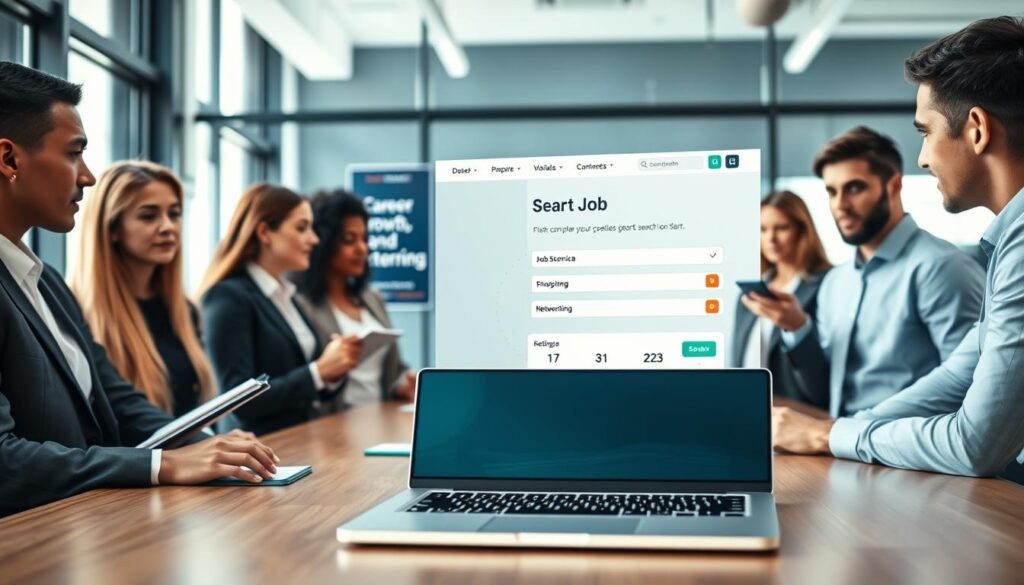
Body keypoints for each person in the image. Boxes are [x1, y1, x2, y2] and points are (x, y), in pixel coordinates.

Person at [0, 62, 278, 517]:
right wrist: (161, 465)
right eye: (74, 154)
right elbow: (5, 461)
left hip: (80, 531)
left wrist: (206, 446)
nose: (88, 176)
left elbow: (116, 400)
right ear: (10, 159)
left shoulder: (45, 281)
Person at [772, 16, 1024, 478]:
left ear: (977, 129)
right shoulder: (1009, 243)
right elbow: (959, 373)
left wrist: (831, 436)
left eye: (925, 132)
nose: (923, 158)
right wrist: (837, 431)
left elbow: (976, 443)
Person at [742, 126, 984, 419]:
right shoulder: (835, 282)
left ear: (893, 186)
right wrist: (797, 327)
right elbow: (826, 391)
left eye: (854, 188)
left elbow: (971, 386)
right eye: (832, 191)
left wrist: (860, 428)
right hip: (840, 449)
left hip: (909, 456)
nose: (840, 205)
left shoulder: (941, 268)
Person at [199, 183, 358, 435]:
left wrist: (334, 372)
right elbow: (238, 400)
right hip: (259, 453)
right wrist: (318, 372)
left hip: (301, 442)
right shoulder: (227, 297)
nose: (314, 239)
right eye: (301, 228)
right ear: (264, 232)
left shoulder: (289, 296)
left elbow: (308, 383)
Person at [70, 161, 215, 417]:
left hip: (187, 452)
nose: (168, 227)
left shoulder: (183, 311)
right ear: (112, 228)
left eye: (174, 214)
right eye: (149, 216)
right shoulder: (77, 312)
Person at [294, 190, 415, 410]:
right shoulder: (301, 304)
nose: (362, 248)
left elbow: (393, 369)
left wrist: (401, 385)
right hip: (332, 423)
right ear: (324, 244)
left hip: (379, 417)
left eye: (365, 239)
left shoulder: (372, 298)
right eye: (349, 240)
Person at [731, 191, 831, 409]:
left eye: (781, 228)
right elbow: (737, 362)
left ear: (802, 231)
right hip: (746, 409)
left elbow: (823, 375)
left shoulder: (827, 284)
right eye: (762, 229)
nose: (770, 239)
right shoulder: (749, 294)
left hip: (799, 416)